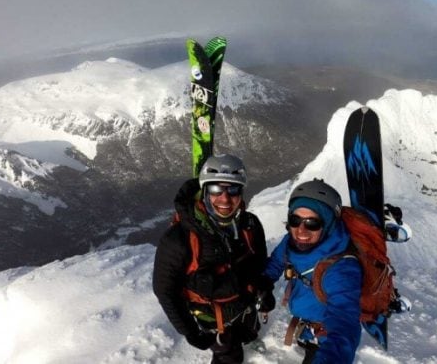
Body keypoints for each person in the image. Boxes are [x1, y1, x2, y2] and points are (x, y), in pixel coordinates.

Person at [152, 154, 268, 364]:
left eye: (233, 189)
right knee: (229, 355)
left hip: (245, 305)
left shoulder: (249, 224)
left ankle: (246, 338)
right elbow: (165, 290)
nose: (225, 198)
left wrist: (264, 290)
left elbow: (259, 261)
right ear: (204, 191)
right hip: (212, 317)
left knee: (249, 333)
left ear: (241, 193)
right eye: (216, 189)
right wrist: (190, 332)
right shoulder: (179, 239)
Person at [258, 179, 363, 364]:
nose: (301, 231)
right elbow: (276, 263)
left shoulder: (342, 267)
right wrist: (264, 283)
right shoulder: (291, 242)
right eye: (295, 220)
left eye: (312, 223)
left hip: (325, 337)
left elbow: (344, 323)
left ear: (329, 224)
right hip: (308, 327)